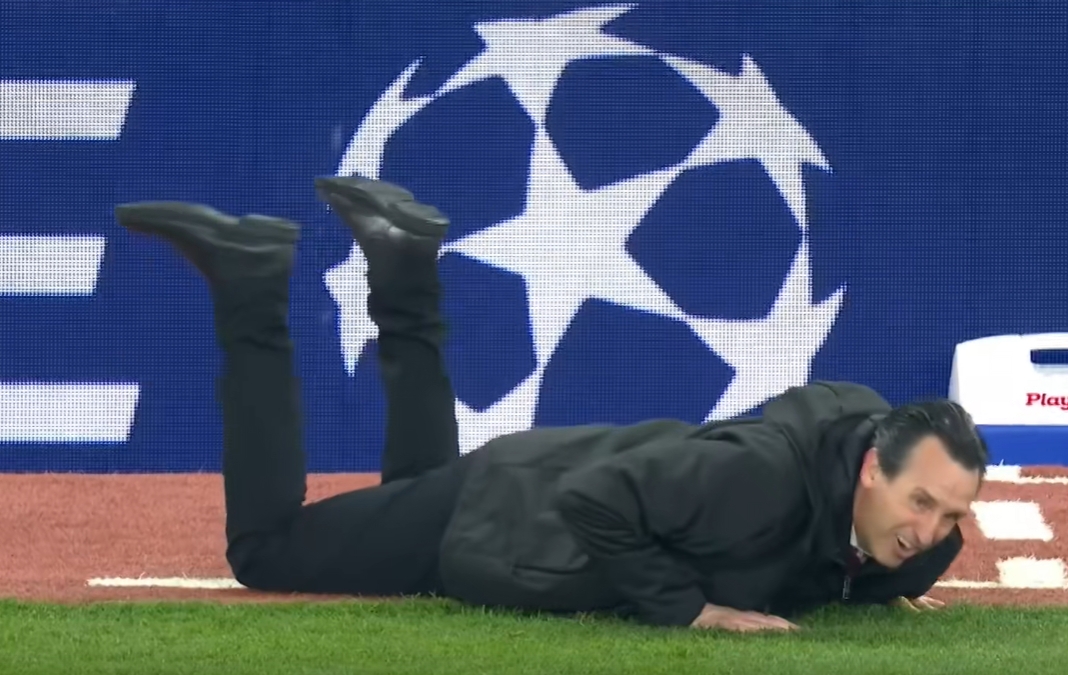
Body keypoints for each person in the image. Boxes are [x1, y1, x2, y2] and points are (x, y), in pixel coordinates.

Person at [113, 176, 987, 633]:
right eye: (921, 502)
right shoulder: (755, 478)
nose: (932, 531)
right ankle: (251, 289)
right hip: (508, 511)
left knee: (411, 482)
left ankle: (402, 256)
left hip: (512, 488)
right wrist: (690, 609)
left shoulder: (913, 538)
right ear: (870, 469)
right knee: (265, 553)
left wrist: (882, 580)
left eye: (952, 514)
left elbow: (874, 543)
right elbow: (595, 499)